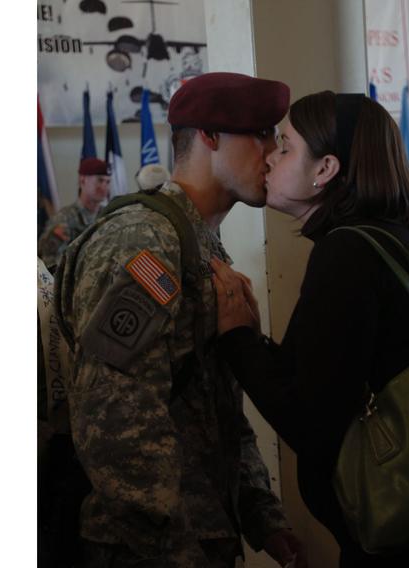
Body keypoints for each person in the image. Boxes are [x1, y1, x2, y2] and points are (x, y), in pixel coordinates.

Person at [53, 72, 305, 568]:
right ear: (209, 137)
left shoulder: (198, 243)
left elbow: (215, 401)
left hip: (203, 530)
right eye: (260, 134)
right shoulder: (144, 241)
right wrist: (172, 548)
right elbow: (114, 419)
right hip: (147, 546)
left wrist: (260, 512)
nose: (273, 152)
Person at [209, 91, 409, 567]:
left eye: (285, 147)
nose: (270, 157)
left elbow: (310, 421)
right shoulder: (384, 236)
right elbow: (328, 379)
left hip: (405, 543)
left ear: (324, 170)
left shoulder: (346, 253)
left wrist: (236, 338)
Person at [38, 157, 112, 269]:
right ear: (83, 181)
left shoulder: (108, 215)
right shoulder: (64, 219)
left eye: (108, 182)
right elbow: (50, 264)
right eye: (100, 180)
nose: (104, 187)